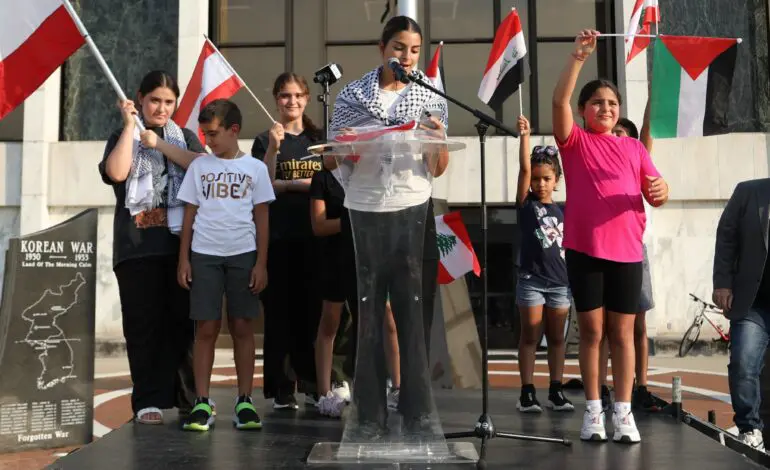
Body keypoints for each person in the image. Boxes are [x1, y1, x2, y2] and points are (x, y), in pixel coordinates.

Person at [328, 15, 448, 439]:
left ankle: (416, 409)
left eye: (414, 50)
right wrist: (348, 146)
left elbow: (439, 166)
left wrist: (436, 140)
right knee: (369, 316)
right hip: (365, 212)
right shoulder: (352, 95)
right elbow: (331, 158)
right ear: (382, 49)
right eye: (399, 48)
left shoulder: (430, 94)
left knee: (414, 315)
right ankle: (369, 413)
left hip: (412, 209)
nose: (407, 57)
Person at [552, 29, 669, 443]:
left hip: (627, 253)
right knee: (592, 333)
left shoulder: (634, 148)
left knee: (622, 335)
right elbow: (558, 102)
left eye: (613, 103)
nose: (606, 108)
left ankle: (623, 412)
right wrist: (578, 57)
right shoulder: (575, 142)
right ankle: (593, 411)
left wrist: (661, 190)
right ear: (583, 110)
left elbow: (657, 190)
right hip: (585, 250)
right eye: (598, 102)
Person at [98, 70, 204, 425]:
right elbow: (116, 173)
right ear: (140, 99)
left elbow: (202, 167)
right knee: (143, 328)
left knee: (185, 326)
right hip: (137, 250)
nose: (161, 108)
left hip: (181, 249)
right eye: (154, 100)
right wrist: (130, 126)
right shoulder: (121, 136)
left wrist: (159, 144)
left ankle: (191, 398)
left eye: (169, 102)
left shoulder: (184, 137)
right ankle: (148, 401)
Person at [177, 99, 274, 432]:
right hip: (204, 254)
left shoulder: (255, 169)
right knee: (206, 328)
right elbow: (189, 214)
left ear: (234, 130)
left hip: (243, 254)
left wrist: (261, 263)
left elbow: (262, 218)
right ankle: (202, 402)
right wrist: (184, 259)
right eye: (205, 134)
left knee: (242, 327)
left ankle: (244, 400)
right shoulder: (199, 167)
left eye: (214, 134)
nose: (208, 140)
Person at [252, 73, 326, 410]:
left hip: (314, 238)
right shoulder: (264, 140)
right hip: (277, 239)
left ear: (307, 99)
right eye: (285, 95)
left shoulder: (319, 140)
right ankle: (281, 388)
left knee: (312, 313)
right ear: (276, 99)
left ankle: (313, 384)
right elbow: (263, 186)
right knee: (278, 315)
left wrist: (287, 185)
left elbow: (327, 184)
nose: (291, 101)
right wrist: (273, 148)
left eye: (297, 95)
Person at [310, 166, 402, 417]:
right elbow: (319, 225)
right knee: (331, 320)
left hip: (369, 256)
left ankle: (397, 387)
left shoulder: (368, 170)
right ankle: (324, 394)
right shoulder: (324, 178)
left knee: (387, 317)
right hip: (335, 256)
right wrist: (354, 219)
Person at [597, 108, 660, 413]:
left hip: (633, 252)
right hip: (601, 250)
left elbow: (646, 135)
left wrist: (652, 98)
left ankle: (641, 387)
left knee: (637, 325)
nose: (616, 137)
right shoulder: (598, 160)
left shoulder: (636, 158)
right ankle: (601, 388)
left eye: (621, 133)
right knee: (605, 328)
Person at [514, 115, 573, 414]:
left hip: (560, 283)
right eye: (536, 179)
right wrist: (525, 136)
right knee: (530, 336)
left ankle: (556, 391)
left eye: (546, 179)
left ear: (556, 180)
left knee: (557, 339)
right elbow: (525, 168)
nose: (540, 183)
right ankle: (527, 392)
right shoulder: (527, 204)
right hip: (531, 281)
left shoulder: (564, 210)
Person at [713, 177, 770, 451]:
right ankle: (750, 429)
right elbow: (726, 237)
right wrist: (722, 283)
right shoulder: (748, 192)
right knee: (743, 363)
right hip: (753, 304)